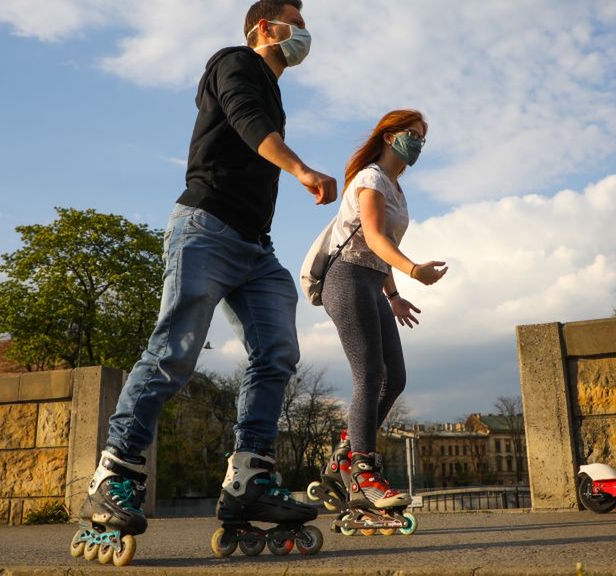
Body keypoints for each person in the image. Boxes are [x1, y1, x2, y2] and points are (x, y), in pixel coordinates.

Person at [80, 0, 336, 544]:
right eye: (300, 24)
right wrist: (301, 169)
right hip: (206, 227)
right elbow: (246, 121)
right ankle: (115, 473)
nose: (306, 36)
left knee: (277, 353)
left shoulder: (276, 91)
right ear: (266, 27)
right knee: (175, 350)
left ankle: (249, 476)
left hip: (255, 249)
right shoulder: (234, 63)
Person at [322, 109, 447, 510]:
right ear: (390, 136)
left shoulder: (396, 187)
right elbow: (373, 237)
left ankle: (347, 451)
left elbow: (379, 250)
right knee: (371, 374)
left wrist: (392, 295)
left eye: (423, 138)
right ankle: (362, 474)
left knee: (395, 379)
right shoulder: (371, 178)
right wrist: (412, 270)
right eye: (413, 134)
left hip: (372, 282)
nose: (418, 144)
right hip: (345, 278)